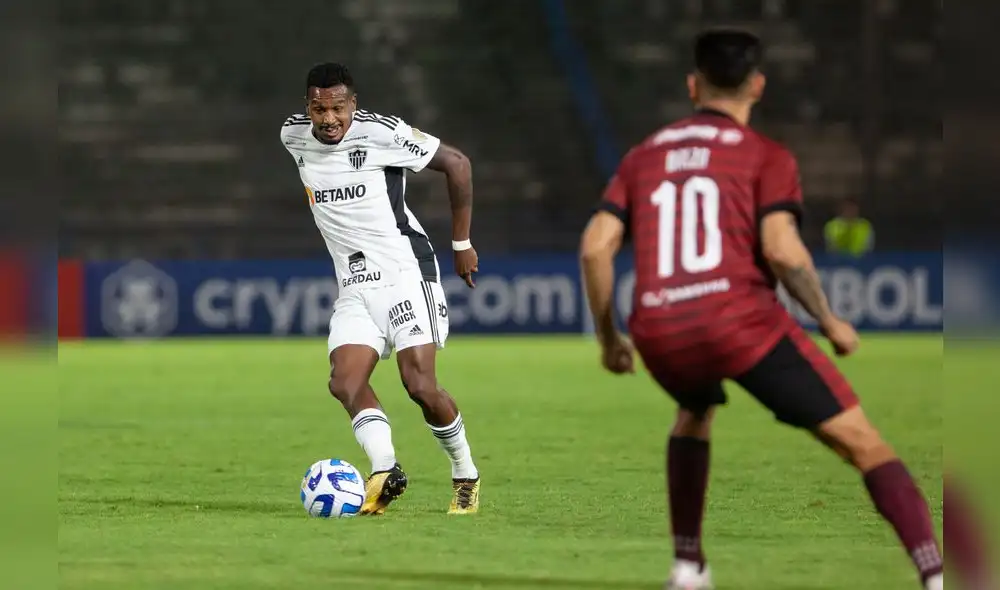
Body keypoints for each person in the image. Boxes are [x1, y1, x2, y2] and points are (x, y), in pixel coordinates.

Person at [579, 30, 942, 589]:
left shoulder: (643, 156)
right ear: (758, 85)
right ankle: (936, 575)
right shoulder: (765, 155)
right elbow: (781, 250)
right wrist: (829, 320)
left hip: (661, 327)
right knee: (864, 443)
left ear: (693, 84)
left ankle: (687, 566)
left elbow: (595, 246)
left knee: (694, 412)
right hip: (737, 323)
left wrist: (609, 341)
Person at [280, 63, 481, 515]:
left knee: (419, 384)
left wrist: (462, 243)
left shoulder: (381, 133)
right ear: (306, 108)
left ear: (353, 104)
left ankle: (465, 473)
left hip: (405, 273)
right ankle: (385, 469)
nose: (328, 119)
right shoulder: (292, 136)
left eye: (337, 108)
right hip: (353, 284)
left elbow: (458, 165)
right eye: (318, 109)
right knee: (344, 381)